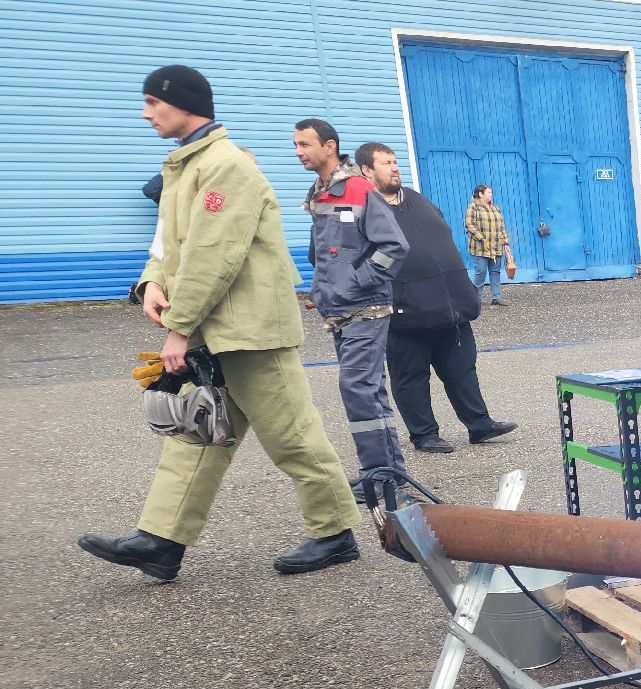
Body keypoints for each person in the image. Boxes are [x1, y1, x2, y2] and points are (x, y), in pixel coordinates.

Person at [78, 66, 362, 582]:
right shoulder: (181, 169)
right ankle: (161, 542)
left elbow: (216, 254)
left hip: (252, 331)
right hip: (215, 328)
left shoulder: (227, 167)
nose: (145, 113)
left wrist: (179, 327)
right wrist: (152, 283)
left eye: (151, 102)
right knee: (197, 432)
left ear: (183, 103)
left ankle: (335, 532)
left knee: (292, 435)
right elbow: (168, 244)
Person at [355, 143, 517, 451]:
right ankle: (424, 434)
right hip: (406, 314)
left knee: (462, 369)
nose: (394, 167)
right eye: (386, 163)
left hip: (449, 307)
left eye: (395, 161)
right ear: (367, 170)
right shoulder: (361, 209)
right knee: (411, 378)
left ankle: (479, 424)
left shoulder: (416, 199)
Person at [294, 118, 411, 499]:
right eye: (295, 145)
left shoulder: (358, 189)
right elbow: (327, 252)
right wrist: (321, 289)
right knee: (369, 389)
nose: (299, 152)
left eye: (305, 144)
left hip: (366, 307)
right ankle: (386, 473)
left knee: (357, 387)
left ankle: (379, 475)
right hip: (339, 310)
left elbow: (395, 246)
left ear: (329, 146)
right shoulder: (320, 193)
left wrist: (356, 282)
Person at [464, 183, 511, 306]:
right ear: (480, 194)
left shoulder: (495, 208)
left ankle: (496, 297)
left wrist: (505, 241)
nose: (491, 195)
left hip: (496, 247)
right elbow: (469, 225)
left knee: (495, 272)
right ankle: (475, 299)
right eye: (489, 192)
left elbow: (501, 226)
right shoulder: (472, 207)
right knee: (481, 272)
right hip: (480, 248)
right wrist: (482, 238)